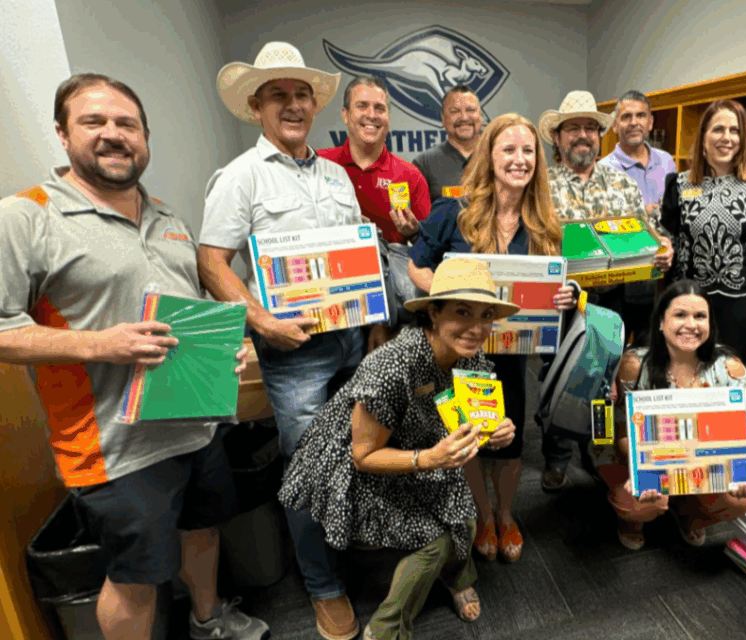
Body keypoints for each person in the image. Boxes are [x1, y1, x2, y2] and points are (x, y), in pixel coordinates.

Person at [0, 74, 267, 640]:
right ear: (62, 134)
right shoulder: (27, 217)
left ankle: (209, 620)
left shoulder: (169, 220)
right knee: (136, 576)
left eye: (127, 124)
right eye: (94, 122)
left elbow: (191, 314)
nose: (113, 135)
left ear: (146, 137)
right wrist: (103, 343)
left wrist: (222, 353)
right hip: (113, 447)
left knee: (203, 531)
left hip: (196, 426)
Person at [197, 42, 367, 640]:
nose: (293, 105)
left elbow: (357, 256)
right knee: (308, 472)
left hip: (350, 341)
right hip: (293, 354)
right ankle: (324, 585)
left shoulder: (338, 175)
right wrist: (262, 323)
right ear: (256, 106)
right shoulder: (239, 178)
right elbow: (212, 262)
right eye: (278, 95)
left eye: (301, 94)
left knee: (357, 453)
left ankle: (351, 550)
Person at [278, 257, 520, 640]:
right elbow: (362, 456)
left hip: (425, 448)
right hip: (357, 469)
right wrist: (428, 459)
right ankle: (387, 629)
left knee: (465, 515)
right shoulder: (392, 365)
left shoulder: (471, 357)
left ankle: (458, 580)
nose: (476, 328)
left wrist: (495, 432)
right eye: (462, 312)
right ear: (434, 314)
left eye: (486, 315)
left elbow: (469, 417)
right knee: (435, 541)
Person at [407, 113, 576, 563]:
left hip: (514, 353)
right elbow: (416, 265)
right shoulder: (453, 212)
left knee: (511, 440)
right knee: (469, 435)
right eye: (508, 149)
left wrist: (568, 294)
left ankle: (505, 514)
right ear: (490, 155)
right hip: (460, 351)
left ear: (538, 160)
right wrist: (441, 290)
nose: (519, 160)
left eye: (528, 151)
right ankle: (482, 516)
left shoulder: (544, 222)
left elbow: (559, 280)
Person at [539, 90, 674, 492]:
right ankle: (556, 457)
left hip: (613, 300)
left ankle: (595, 452)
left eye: (589, 128)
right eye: (573, 128)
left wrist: (663, 247)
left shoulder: (620, 181)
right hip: (562, 301)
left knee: (604, 379)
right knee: (560, 377)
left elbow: (647, 232)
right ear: (558, 137)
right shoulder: (541, 185)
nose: (582, 135)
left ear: (600, 136)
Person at [599, 279, 746, 550]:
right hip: (639, 459)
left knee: (740, 499)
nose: (691, 325)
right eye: (680, 315)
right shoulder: (635, 365)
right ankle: (632, 522)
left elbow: (739, 438)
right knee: (644, 502)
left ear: (710, 323)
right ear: (661, 322)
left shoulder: (730, 367)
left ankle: (690, 517)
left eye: (700, 316)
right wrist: (642, 469)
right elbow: (615, 434)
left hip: (701, 465)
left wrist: (741, 472)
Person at [660, 99, 746, 362]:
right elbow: (666, 239)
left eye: (735, 131)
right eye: (718, 129)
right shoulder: (679, 185)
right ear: (703, 137)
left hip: (744, 306)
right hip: (690, 304)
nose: (727, 138)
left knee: (734, 380)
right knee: (689, 376)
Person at [598, 89, 678, 346]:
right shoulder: (603, 169)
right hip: (619, 283)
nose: (634, 122)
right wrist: (648, 211)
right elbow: (605, 226)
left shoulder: (667, 162)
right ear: (615, 125)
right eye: (626, 117)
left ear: (651, 122)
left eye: (641, 115)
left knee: (652, 352)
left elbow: (673, 216)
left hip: (659, 278)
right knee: (612, 352)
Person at [318, 76, 430, 245]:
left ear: (388, 118)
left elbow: (431, 247)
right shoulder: (318, 164)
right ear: (345, 115)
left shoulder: (410, 176)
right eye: (362, 106)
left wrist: (414, 234)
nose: (371, 115)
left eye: (379, 108)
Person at [412, 84, 483, 202]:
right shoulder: (424, 164)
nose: (464, 117)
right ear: (443, 119)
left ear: (480, 116)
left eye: (471, 110)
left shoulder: (499, 157)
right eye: (455, 111)